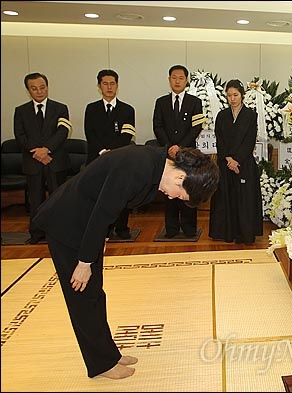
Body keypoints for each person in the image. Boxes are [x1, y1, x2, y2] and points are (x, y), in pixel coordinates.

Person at [32, 144, 219, 380]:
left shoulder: (155, 164)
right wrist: (84, 261)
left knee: (95, 294)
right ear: (181, 177)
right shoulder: (138, 167)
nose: (172, 197)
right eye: (179, 194)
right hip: (67, 223)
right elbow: (102, 211)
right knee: (82, 297)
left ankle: (108, 353)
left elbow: (111, 206)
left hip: (87, 225)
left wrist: (101, 238)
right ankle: (101, 364)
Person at [13, 72, 72, 244]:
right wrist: (38, 153)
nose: (39, 91)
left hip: (55, 161)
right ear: (28, 90)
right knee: (35, 199)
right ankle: (37, 234)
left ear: (47, 87)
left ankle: (59, 233)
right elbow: (20, 135)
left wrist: (46, 150)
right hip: (33, 162)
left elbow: (62, 132)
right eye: (34, 88)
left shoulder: (60, 108)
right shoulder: (21, 111)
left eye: (42, 87)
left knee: (58, 200)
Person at [153, 65, 206, 238]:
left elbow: (196, 127)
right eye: (174, 77)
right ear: (169, 80)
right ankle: (172, 228)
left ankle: (190, 228)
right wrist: (169, 147)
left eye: (181, 78)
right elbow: (157, 126)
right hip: (167, 155)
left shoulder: (195, 102)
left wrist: (180, 148)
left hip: (189, 154)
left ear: (186, 80)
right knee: (169, 190)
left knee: (188, 189)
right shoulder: (161, 102)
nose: (177, 81)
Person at [208, 79, 263, 244]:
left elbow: (249, 141)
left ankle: (244, 233)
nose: (232, 98)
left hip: (244, 163)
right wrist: (228, 160)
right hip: (225, 164)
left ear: (242, 95)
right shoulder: (222, 115)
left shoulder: (251, 115)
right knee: (225, 197)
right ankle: (226, 233)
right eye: (229, 95)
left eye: (235, 95)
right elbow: (220, 140)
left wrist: (237, 160)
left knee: (244, 199)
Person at [84, 69, 136, 239]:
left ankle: (121, 227)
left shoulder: (127, 110)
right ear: (99, 86)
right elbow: (90, 133)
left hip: (120, 158)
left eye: (112, 83)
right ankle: (103, 228)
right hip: (97, 159)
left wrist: (111, 152)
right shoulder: (91, 109)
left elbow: (126, 134)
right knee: (100, 196)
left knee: (121, 194)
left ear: (117, 85)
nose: (109, 87)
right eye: (105, 83)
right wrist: (102, 152)